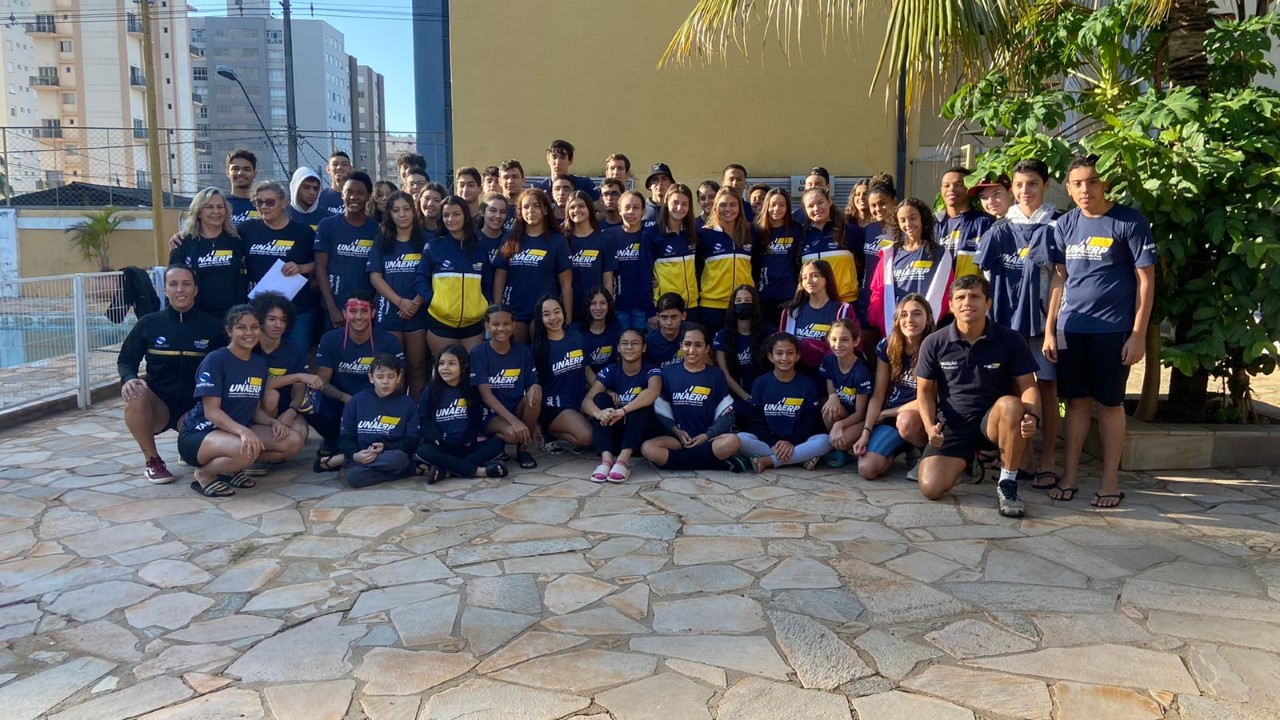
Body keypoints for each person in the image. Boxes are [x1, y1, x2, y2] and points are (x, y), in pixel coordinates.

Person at [1044, 155, 1156, 508]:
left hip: (1113, 330)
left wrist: (1137, 334)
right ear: (1069, 188)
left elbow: (1146, 281)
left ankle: (1110, 481)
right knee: (1075, 403)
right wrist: (1050, 329)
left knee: (1110, 404)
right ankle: (1070, 476)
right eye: (1077, 183)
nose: (1085, 190)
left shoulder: (1129, 221)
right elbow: (1058, 279)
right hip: (1071, 328)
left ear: (1104, 183)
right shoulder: (1065, 224)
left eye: (1092, 181)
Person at [915, 275, 1041, 517]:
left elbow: (1029, 386)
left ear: (988, 303)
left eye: (975, 297)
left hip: (993, 423)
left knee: (1011, 404)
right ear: (951, 305)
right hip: (953, 425)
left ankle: (1007, 483)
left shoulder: (1010, 339)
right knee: (932, 488)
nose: (967, 303)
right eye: (960, 298)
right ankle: (968, 461)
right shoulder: (934, 342)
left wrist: (1032, 416)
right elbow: (924, 392)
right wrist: (930, 426)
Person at [976, 158, 1061, 489]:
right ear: (1012, 189)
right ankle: (1022, 459)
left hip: (1043, 325)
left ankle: (1048, 459)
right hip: (1006, 325)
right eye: (1020, 185)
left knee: (1047, 389)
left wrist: (1051, 328)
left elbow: (1060, 280)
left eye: (1033, 184)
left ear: (1046, 186)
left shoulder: (1057, 225)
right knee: (1013, 388)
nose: (1026, 191)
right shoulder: (998, 230)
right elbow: (985, 281)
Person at [178, 305, 306, 497]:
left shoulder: (258, 364)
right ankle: (205, 474)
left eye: (254, 327)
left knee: (293, 441)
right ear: (229, 331)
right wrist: (243, 431)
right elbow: (211, 412)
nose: (249, 333)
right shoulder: (216, 360)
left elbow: (253, 409)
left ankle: (231, 469)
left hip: (235, 433)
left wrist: (273, 422)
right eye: (241, 327)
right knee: (246, 451)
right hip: (201, 433)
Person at [118, 265, 227, 483]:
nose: (180, 290)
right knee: (134, 393)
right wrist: (129, 379)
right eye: (173, 284)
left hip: (195, 408)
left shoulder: (214, 326)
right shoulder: (149, 323)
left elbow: (227, 367)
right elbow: (126, 360)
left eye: (186, 284)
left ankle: (188, 448)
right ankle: (153, 461)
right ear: (165, 289)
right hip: (159, 406)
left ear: (195, 289)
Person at [310, 291, 405, 472]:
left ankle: (341, 457)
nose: (358, 316)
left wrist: (366, 401)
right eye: (353, 311)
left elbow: (398, 383)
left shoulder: (388, 340)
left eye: (364, 311)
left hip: (377, 404)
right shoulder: (329, 339)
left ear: (373, 313)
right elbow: (322, 382)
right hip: (342, 403)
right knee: (309, 401)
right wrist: (346, 398)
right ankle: (334, 440)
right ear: (344, 313)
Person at [641, 324, 744, 471]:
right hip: (677, 440)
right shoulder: (668, 372)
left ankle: (676, 462)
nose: (692, 350)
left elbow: (727, 413)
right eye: (687, 344)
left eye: (698, 345)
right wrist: (676, 431)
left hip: (707, 439)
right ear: (680, 346)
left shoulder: (716, 374)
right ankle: (715, 463)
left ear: (707, 348)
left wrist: (707, 435)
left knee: (733, 441)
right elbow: (661, 409)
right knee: (647, 448)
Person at [854, 294, 933, 479]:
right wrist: (866, 431)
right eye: (904, 314)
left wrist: (886, 413)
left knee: (906, 421)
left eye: (917, 313)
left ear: (928, 318)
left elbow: (929, 399)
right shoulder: (888, 345)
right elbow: (878, 394)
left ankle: (925, 454)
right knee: (867, 468)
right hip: (893, 417)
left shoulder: (935, 346)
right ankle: (904, 447)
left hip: (921, 417)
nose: (910, 320)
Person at [238, 181, 317, 350]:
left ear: (284, 203)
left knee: (297, 357)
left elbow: (321, 264)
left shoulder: (303, 232)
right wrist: (184, 235)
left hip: (297, 309)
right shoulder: (245, 230)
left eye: (270, 202)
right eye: (259, 202)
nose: (264, 207)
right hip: (259, 310)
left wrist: (301, 268)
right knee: (257, 358)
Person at [368, 191, 429, 397]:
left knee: (417, 366)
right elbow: (375, 276)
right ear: (389, 214)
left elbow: (434, 277)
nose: (402, 214)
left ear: (414, 211)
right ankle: (395, 410)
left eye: (406, 209)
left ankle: (416, 411)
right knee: (393, 368)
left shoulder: (427, 241)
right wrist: (400, 302)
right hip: (389, 312)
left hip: (418, 312)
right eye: (396, 210)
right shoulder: (382, 241)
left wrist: (415, 303)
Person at [415, 345, 507, 483]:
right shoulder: (430, 390)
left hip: (465, 446)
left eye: (451, 363)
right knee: (422, 451)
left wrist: (471, 435)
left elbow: (476, 416)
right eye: (441, 363)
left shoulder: (472, 390)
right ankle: (479, 471)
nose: (445, 368)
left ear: (463, 367)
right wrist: (433, 437)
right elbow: (423, 419)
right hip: (442, 447)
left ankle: (447, 471)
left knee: (497, 444)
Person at [739, 332, 829, 472]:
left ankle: (769, 461)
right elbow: (755, 422)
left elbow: (809, 423)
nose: (785, 358)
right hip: (768, 443)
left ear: (797, 356)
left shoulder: (807, 383)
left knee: (825, 440)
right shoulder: (760, 383)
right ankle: (800, 458)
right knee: (740, 439)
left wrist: (791, 442)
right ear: (771, 356)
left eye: (790, 353)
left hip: (798, 442)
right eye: (779, 353)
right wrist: (773, 442)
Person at [493, 188, 574, 342]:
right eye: (526, 207)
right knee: (518, 353)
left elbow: (566, 284)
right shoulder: (510, 239)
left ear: (545, 210)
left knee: (541, 352)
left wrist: (567, 317)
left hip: (545, 312)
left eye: (536, 206)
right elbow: (499, 277)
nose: (531, 210)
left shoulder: (557, 241)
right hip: (515, 309)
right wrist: (497, 310)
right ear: (520, 212)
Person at [583, 327, 661, 482]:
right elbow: (587, 401)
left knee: (641, 400)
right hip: (616, 435)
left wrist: (623, 410)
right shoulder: (610, 371)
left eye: (635, 343)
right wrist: (600, 413)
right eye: (625, 343)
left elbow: (653, 391)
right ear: (618, 348)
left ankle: (623, 461)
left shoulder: (652, 370)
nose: (629, 347)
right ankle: (606, 460)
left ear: (644, 347)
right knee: (600, 398)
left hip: (641, 436)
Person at [418, 195, 490, 358]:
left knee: (471, 369)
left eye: (456, 214)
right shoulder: (434, 246)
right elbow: (421, 278)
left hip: (473, 324)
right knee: (445, 369)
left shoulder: (480, 247)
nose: (450, 219)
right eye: (446, 215)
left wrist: (483, 304)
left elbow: (487, 282)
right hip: (441, 321)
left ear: (466, 216)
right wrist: (433, 301)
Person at [248, 292, 319, 459]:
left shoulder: (294, 350)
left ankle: (264, 452)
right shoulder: (249, 347)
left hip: (284, 406)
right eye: (272, 319)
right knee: (271, 396)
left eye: (283, 320)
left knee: (301, 434)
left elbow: (299, 390)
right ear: (260, 319)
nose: (278, 325)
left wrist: (292, 411)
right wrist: (298, 376)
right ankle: (255, 454)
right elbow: (259, 385)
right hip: (253, 409)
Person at [471, 304, 542, 469]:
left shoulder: (522, 351)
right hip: (490, 413)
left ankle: (523, 450)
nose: (501, 328)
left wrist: (535, 387)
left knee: (535, 395)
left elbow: (532, 383)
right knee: (512, 435)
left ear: (514, 325)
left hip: (515, 407)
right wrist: (515, 422)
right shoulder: (478, 352)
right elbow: (486, 395)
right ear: (487, 326)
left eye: (506, 324)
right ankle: (494, 441)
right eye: (495, 324)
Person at [868, 197, 954, 333]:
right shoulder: (890, 254)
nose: (907, 224)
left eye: (912, 218)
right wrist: (877, 319)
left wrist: (928, 321)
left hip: (928, 327)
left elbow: (946, 292)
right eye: (902, 220)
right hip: (895, 327)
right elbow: (877, 291)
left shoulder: (940, 254)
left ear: (922, 219)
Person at [339, 353, 420, 487]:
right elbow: (345, 438)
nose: (385, 382)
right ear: (371, 378)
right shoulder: (356, 402)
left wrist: (386, 447)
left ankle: (349, 463)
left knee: (398, 459)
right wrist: (355, 455)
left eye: (391, 377)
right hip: (362, 454)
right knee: (354, 478)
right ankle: (409, 470)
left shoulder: (408, 404)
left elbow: (411, 441)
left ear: (399, 378)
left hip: (391, 455)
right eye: (380, 377)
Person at [170, 188, 247, 321]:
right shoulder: (183, 243)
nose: (216, 211)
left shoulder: (236, 240)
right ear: (198, 212)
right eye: (209, 207)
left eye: (220, 207)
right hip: (197, 316)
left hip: (232, 316)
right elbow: (173, 281)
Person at [314, 171, 378, 329]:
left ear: (368, 196)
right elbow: (320, 267)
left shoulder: (377, 230)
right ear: (342, 195)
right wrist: (332, 308)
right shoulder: (327, 225)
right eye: (349, 192)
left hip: (365, 309)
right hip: (334, 306)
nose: (354, 197)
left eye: (360, 193)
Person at [531, 295, 593, 452]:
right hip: (554, 406)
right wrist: (535, 422)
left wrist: (605, 389)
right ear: (540, 319)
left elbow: (587, 370)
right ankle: (548, 431)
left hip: (579, 400)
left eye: (557, 311)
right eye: (546, 314)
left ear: (564, 313)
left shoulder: (576, 337)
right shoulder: (538, 348)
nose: (553, 318)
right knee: (586, 436)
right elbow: (533, 389)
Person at [780, 260, 856, 374]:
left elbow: (853, 347)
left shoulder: (843, 310)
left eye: (815, 275)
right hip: (798, 375)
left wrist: (809, 347)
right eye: (804, 277)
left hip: (830, 374)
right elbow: (782, 346)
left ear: (827, 279)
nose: (809, 281)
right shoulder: (791, 311)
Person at [819, 318, 874, 466]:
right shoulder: (829, 360)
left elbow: (860, 413)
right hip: (843, 412)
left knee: (841, 441)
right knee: (828, 409)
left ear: (855, 342)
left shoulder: (861, 372)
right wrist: (832, 396)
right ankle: (839, 449)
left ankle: (846, 447)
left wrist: (839, 425)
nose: (838, 345)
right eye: (834, 339)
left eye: (844, 340)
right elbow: (831, 389)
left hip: (861, 419)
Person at [697, 186, 754, 327]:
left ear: (739, 207)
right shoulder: (704, 235)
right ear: (715, 207)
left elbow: (756, 266)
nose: (728, 209)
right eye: (723, 205)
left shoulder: (750, 233)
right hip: (712, 306)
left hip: (743, 304)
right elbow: (695, 268)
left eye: (733, 205)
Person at [644, 183, 701, 314]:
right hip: (664, 307)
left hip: (691, 306)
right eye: (675, 202)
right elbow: (645, 274)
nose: (679, 208)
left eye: (685, 204)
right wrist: (650, 312)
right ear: (666, 203)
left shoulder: (692, 234)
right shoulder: (652, 234)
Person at [856, 178, 898, 351]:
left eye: (882, 203)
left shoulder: (902, 229)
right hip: (868, 295)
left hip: (891, 295)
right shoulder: (869, 229)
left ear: (894, 201)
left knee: (891, 344)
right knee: (868, 344)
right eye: (873, 205)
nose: (877, 209)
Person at [714, 284, 766, 417]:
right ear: (733, 305)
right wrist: (748, 398)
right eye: (739, 301)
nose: (743, 304)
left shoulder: (768, 332)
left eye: (748, 300)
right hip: (735, 395)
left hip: (764, 393)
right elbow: (724, 374)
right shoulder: (722, 335)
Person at [799, 187, 858, 304]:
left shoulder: (850, 231)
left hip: (846, 302)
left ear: (829, 201)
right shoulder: (801, 235)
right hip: (814, 304)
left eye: (820, 202)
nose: (816, 208)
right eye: (810, 206)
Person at [753, 187, 803, 323]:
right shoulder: (756, 230)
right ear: (766, 206)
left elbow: (800, 261)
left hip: (790, 294)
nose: (777, 209)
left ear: (787, 207)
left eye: (782, 205)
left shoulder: (796, 229)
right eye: (773, 205)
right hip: (764, 294)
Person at [565, 190, 616, 321]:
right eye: (572, 207)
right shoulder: (563, 241)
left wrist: (607, 309)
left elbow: (608, 281)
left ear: (589, 209)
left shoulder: (605, 240)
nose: (577, 210)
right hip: (570, 308)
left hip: (597, 309)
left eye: (581, 206)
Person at [607, 190, 653, 331]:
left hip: (644, 307)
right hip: (618, 307)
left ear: (643, 211)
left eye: (636, 207)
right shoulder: (609, 236)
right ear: (619, 210)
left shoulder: (650, 236)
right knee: (621, 343)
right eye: (626, 207)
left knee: (642, 343)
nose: (631, 212)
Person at [936, 166, 993, 277]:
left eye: (958, 185)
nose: (951, 189)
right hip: (940, 287)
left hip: (970, 287)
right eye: (946, 185)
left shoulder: (984, 222)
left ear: (968, 187)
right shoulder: (932, 223)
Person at [534, 139, 599, 199]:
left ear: (570, 161)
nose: (558, 162)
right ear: (548, 159)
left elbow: (598, 205)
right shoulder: (539, 188)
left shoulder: (585, 185)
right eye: (554, 157)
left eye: (562, 158)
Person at [581, 286, 622, 379]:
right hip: (585, 383)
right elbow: (584, 369)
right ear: (587, 306)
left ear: (609, 305)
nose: (598, 308)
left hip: (611, 381)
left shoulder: (616, 328)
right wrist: (600, 386)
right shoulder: (577, 332)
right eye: (593, 303)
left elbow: (619, 362)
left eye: (603, 303)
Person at [645, 292, 690, 368]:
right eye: (664, 317)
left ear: (683, 316)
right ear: (658, 317)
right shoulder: (648, 341)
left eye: (674, 317)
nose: (669, 323)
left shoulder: (693, 335)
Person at [477, 192, 508, 301]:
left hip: (503, 301)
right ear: (482, 212)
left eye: (502, 212)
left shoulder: (511, 241)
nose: (498, 216)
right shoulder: (472, 239)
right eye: (492, 210)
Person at [224, 149, 259, 224]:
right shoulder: (220, 204)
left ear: (255, 173)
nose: (240, 173)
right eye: (235, 169)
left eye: (246, 169)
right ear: (227, 173)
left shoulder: (264, 204)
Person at [318, 150, 352, 215]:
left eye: (344, 164)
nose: (339, 167)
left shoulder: (357, 197)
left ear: (350, 169)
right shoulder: (319, 198)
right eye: (335, 164)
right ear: (328, 169)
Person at [642, 163, 675, 227]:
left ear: (671, 183)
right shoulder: (640, 208)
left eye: (664, 179)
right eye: (655, 179)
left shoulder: (676, 209)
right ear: (649, 185)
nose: (660, 183)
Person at [499, 159, 527, 230]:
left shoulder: (529, 208)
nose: (510, 181)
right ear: (499, 181)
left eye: (515, 177)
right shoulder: (493, 209)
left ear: (523, 180)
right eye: (506, 177)